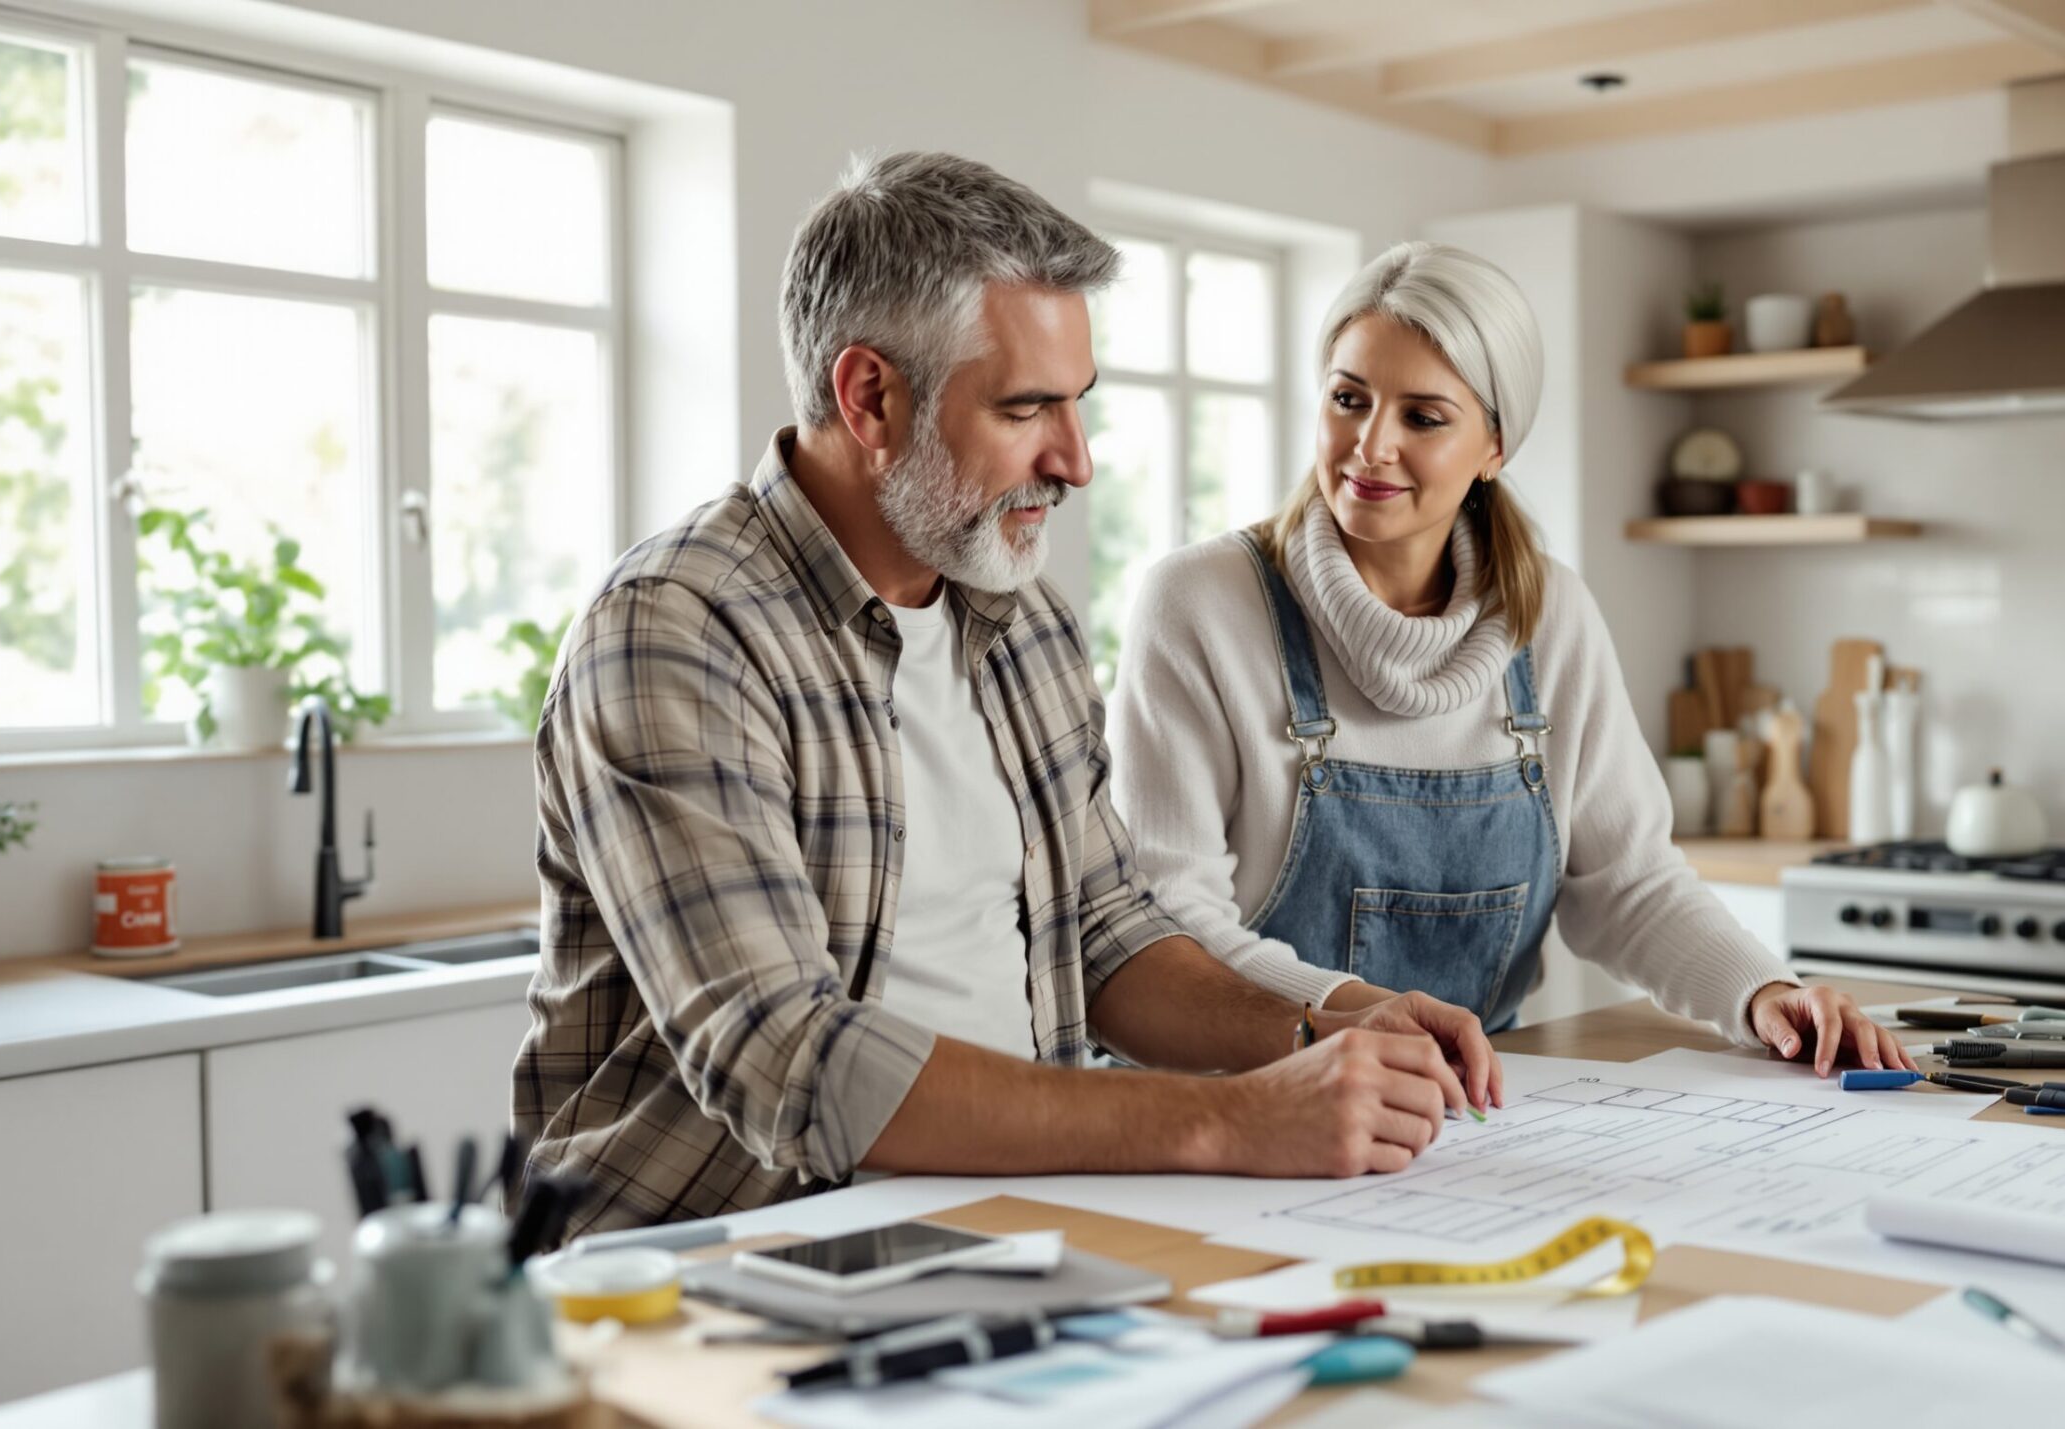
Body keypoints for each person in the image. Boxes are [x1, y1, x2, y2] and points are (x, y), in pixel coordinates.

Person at [515, 155, 1497, 1238]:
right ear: (869, 396)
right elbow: (788, 1058)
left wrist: (1323, 1031)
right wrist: (1228, 1121)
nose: (1075, 462)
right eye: (1027, 408)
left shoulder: (1023, 622)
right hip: (707, 1275)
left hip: (996, 1236)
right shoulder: (680, 628)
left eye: (1077, 405)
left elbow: (1108, 932)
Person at [1109, 241, 1910, 1093]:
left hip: (1470, 1115)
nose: (1368, 446)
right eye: (1348, 399)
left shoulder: (1550, 617)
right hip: (1243, 1097)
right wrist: (1347, 1014)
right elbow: (1169, 922)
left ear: (1494, 444)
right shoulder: (1201, 604)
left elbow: (1628, 882)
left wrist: (1763, 991)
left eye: (1423, 417)